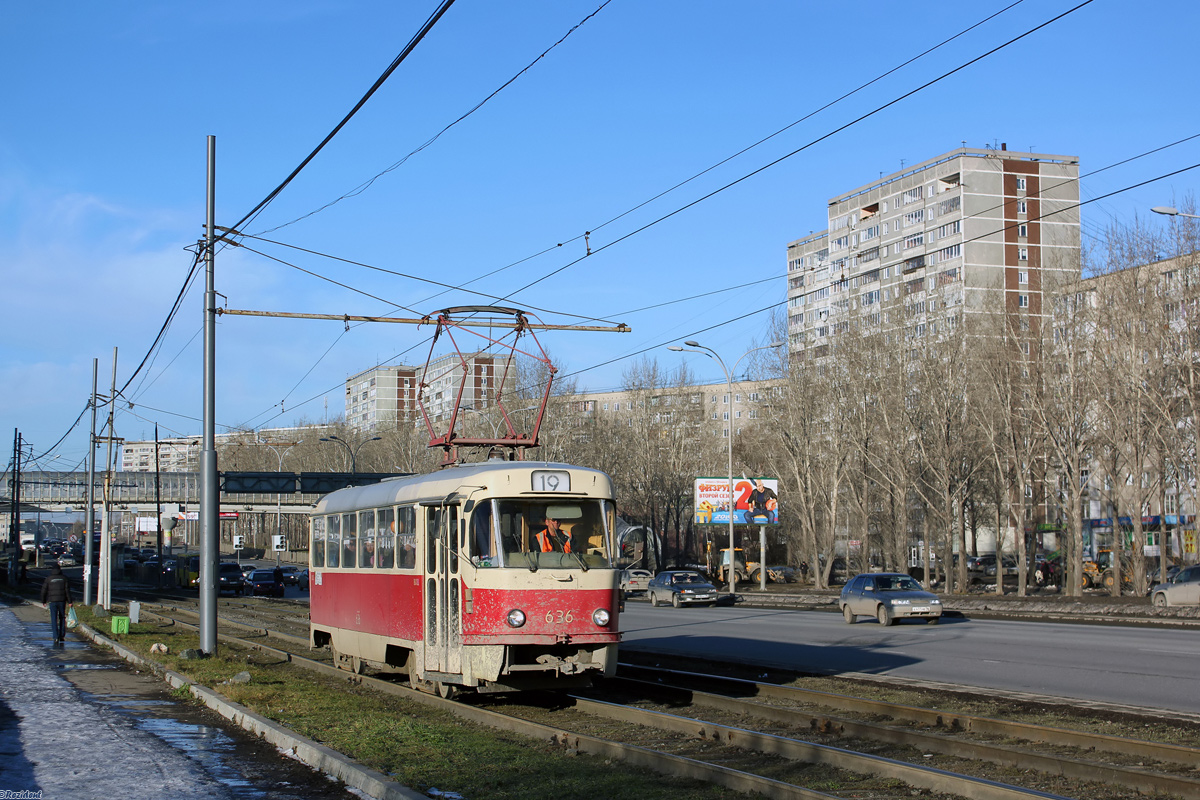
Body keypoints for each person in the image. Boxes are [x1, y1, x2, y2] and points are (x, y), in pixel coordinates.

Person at [41, 563, 73, 644]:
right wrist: (70, 601)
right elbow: (67, 591)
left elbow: (43, 591)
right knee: (62, 617)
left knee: (54, 618)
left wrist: (43, 601)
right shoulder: (64, 578)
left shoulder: (49, 579)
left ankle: (55, 637)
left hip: (52, 601)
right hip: (62, 601)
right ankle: (62, 635)